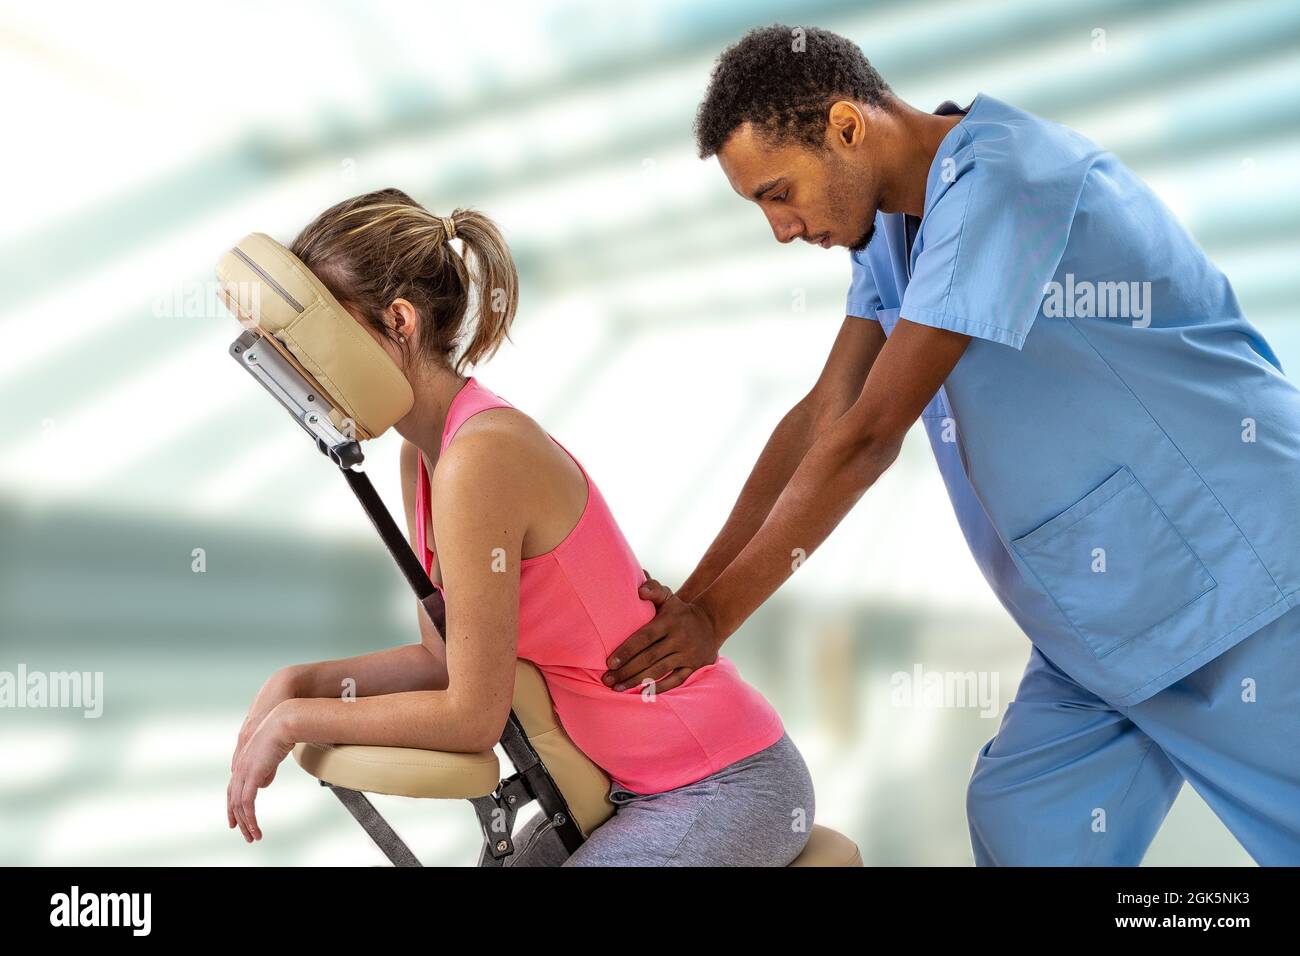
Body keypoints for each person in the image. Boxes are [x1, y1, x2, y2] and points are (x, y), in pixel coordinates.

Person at [601, 24, 1300, 865]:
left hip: (1243, 580)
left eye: (778, 192)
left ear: (846, 127)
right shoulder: (890, 231)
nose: (781, 229)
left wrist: (717, 619)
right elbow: (827, 410)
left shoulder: (1005, 181)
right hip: (1097, 619)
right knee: (1025, 828)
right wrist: (692, 600)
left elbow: (866, 439)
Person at [225, 188, 814, 866]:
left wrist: (298, 721)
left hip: (719, 784)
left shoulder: (481, 458)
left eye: (320, 342)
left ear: (400, 322)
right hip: (631, 790)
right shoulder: (426, 457)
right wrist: (301, 683)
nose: (308, 373)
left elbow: (471, 715)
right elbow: (446, 660)